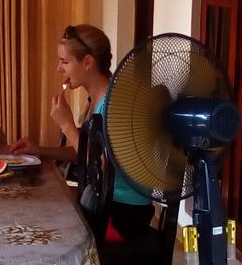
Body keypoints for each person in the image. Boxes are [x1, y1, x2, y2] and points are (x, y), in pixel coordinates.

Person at [9, 24, 154, 241]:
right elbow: (85, 150)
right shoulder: (96, 98)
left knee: (42, 217)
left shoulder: (114, 105)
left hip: (120, 215)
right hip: (103, 202)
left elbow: (100, 166)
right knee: (33, 199)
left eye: (65, 62)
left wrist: (67, 125)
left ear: (87, 62)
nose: (59, 69)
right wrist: (39, 150)